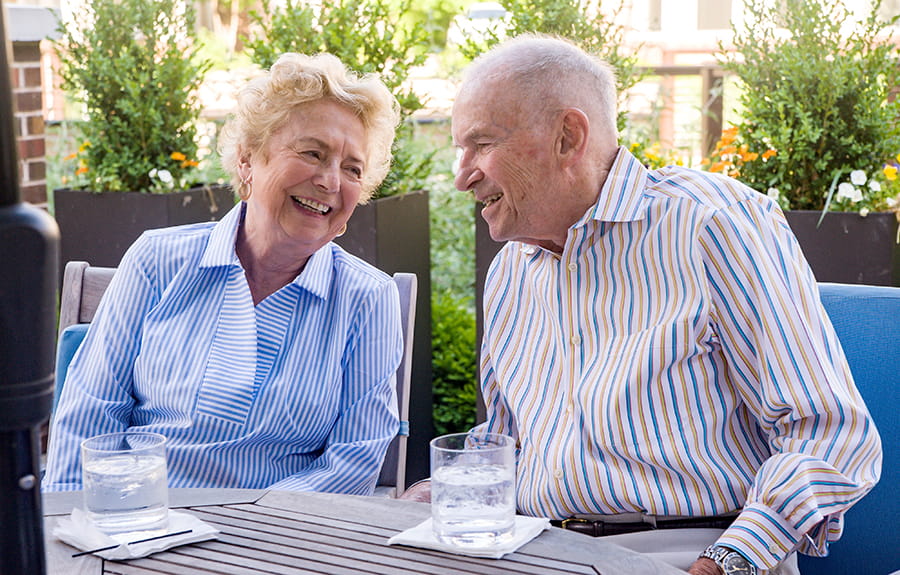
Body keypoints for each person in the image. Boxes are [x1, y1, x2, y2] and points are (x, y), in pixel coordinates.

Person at [409, 35, 882, 575]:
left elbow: (830, 434)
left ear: (568, 136)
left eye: (481, 145)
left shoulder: (711, 226)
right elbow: (506, 441)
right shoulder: (512, 272)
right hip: (537, 550)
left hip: (691, 548)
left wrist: (727, 561)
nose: (461, 174)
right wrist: (436, 490)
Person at [44, 52, 404, 495]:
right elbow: (89, 417)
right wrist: (72, 533)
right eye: (313, 152)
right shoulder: (157, 260)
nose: (331, 182)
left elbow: (352, 465)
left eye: (353, 169)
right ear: (247, 162)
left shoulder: (367, 298)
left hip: (273, 543)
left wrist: (239, 537)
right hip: (135, 525)